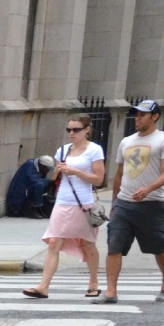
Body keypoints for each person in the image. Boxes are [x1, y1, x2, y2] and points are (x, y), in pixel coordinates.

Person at [25, 116, 106, 299]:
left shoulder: (94, 150)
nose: (71, 133)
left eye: (76, 130)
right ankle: (43, 286)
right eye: (69, 130)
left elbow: (99, 179)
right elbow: (53, 178)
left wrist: (75, 171)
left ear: (87, 130)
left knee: (87, 243)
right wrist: (57, 171)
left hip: (83, 203)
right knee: (54, 242)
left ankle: (93, 282)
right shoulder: (62, 150)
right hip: (63, 201)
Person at [105, 98, 164, 304]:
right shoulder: (126, 141)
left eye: (142, 115)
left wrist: (148, 189)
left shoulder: (161, 140)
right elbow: (119, 174)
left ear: (154, 117)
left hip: (152, 203)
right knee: (114, 246)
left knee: (159, 247)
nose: (137, 118)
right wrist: (114, 203)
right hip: (124, 203)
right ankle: (110, 291)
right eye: (136, 114)